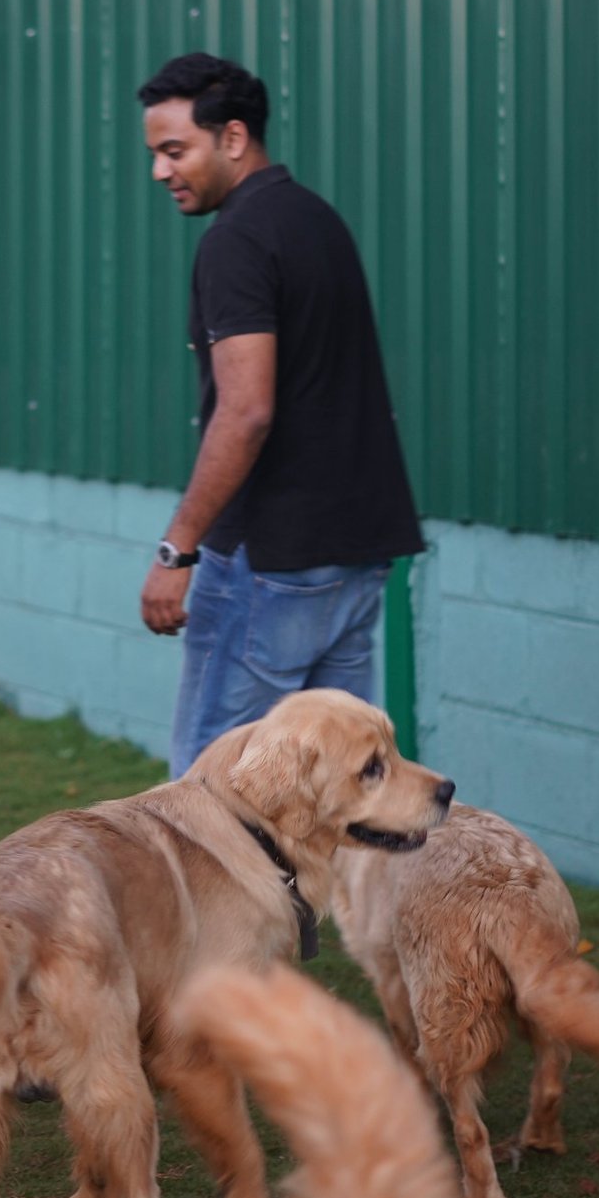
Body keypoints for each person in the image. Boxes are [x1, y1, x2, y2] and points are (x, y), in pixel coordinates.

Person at [136, 52, 424, 779]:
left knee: (212, 793)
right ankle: (352, 903)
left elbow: (247, 411)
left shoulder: (235, 240)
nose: (161, 172)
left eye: (176, 151)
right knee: (344, 790)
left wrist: (177, 551)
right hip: (355, 553)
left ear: (233, 138)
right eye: (155, 154)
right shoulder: (317, 221)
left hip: (272, 562)